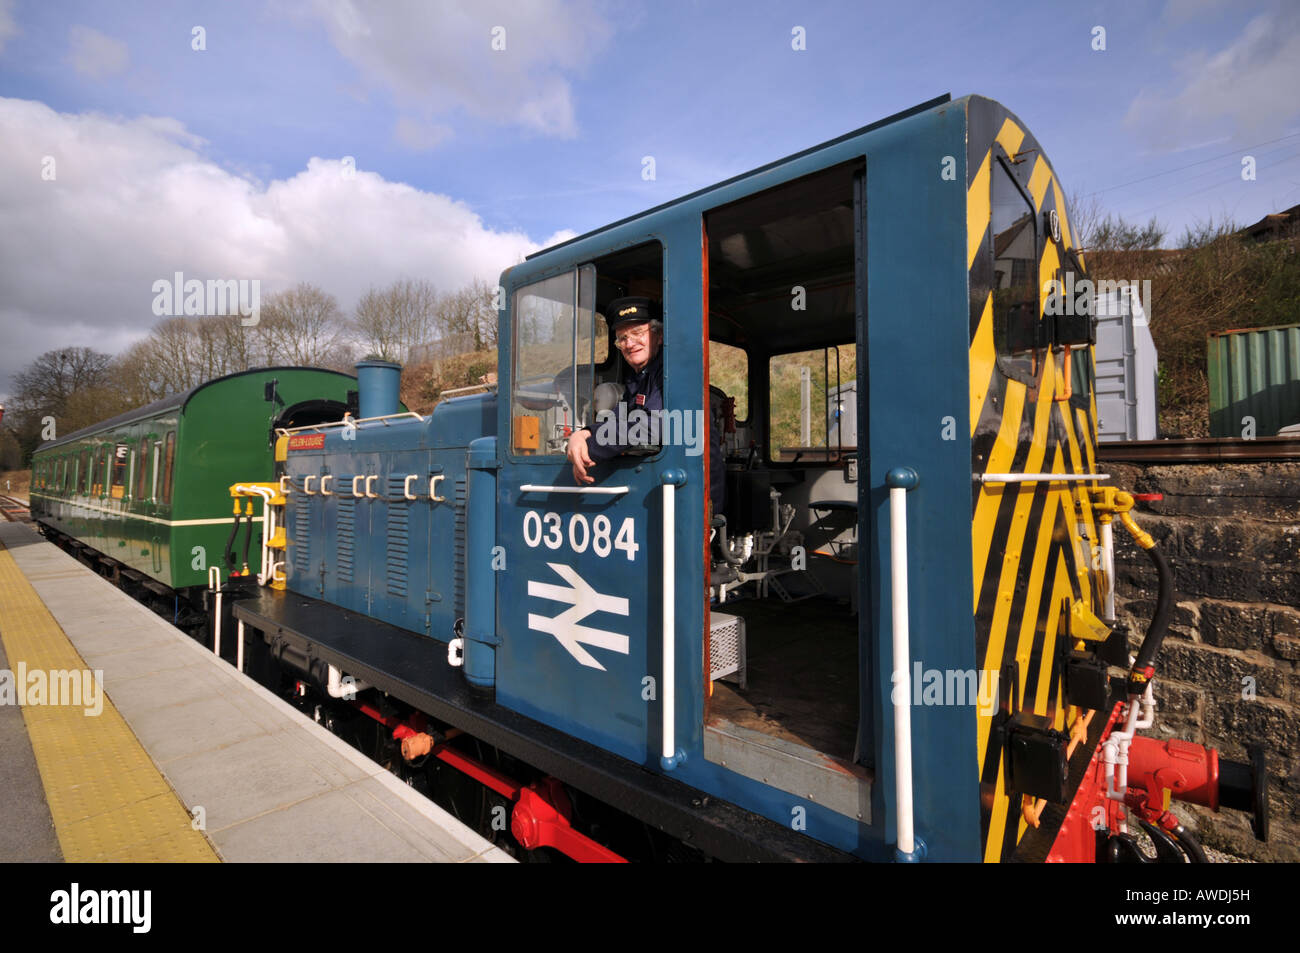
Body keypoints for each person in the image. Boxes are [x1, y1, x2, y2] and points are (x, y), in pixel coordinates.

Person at [565, 296, 725, 514]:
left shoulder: (671, 373)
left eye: (638, 333)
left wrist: (589, 449)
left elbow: (653, 426)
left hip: (694, 498)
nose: (629, 344)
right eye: (622, 339)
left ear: (658, 336)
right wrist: (582, 434)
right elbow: (621, 418)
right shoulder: (639, 377)